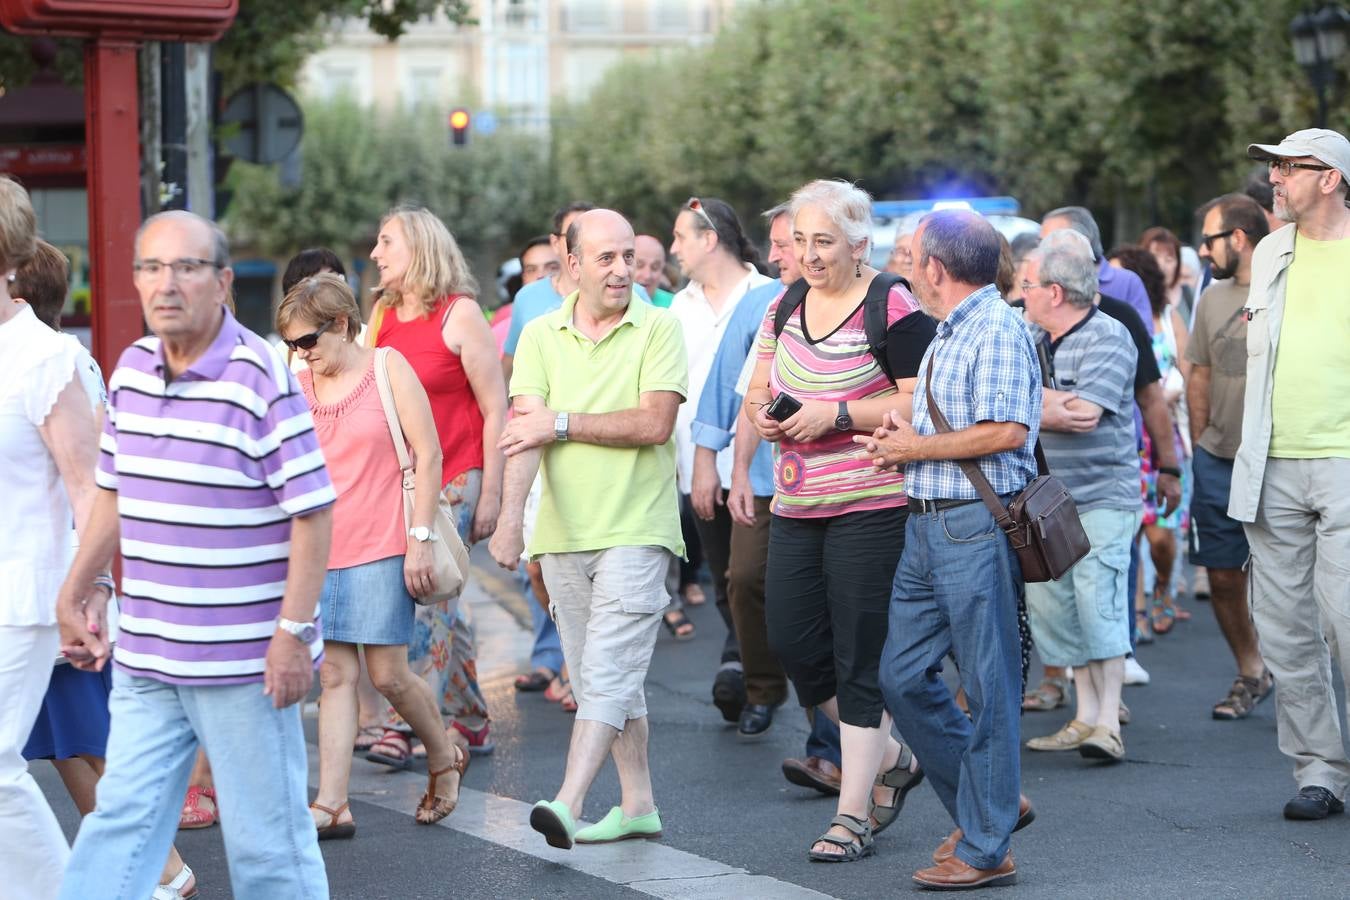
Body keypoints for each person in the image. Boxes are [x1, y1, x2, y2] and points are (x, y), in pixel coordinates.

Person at [56, 209, 335, 899]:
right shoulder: (130, 372)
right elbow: (115, 495)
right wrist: (78, 586)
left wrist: (293, 635)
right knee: (117, 830)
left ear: (222, 281)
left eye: (186, 267)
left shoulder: (259, 376)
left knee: (268, 850)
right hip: (150, 660)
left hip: (245, 663)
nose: (166, 284)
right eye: (151, 268)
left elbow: (314, 511)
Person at [744, 180, 932, 862]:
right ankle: (892, 757)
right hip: (796, 503)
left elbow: (919, 403)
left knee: (860, 659)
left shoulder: (893, 301)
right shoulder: (785, 302)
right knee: (793, 642)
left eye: (823, 242)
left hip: (871, 504)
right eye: (800, 241)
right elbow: (758, 389)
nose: (809, 254)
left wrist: (840, 414)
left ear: (860, 244)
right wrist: (763, 415)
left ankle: (850, 817)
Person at [488, 208, 688, 849]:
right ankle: (637, 804)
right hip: (563, 534)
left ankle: (568, 803)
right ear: (571, 266)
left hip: (638, 527)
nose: (623, 269)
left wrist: (563, 423)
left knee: (605, 671)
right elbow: (523, 435)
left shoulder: (659, 327)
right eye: (606, 258)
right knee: (608, 678)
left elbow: (654, 423)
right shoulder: (542, 334)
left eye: (629, 256)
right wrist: (513, 528)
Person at [11, 237, 199, 899]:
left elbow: (89, 486)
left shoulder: (64, 367)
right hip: (51, 585)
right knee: (69, 746)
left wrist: (90, 584)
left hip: (56, 585)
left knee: (90, 744)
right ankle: (148, 870)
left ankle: (161, 869)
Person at [864, 209, 1040, 890]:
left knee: (989, 687)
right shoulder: (957, 329)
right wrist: (898, 437)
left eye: (909, 254)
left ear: (934, 267)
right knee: (901, 677)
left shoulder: (992, 326)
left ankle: (987, 844)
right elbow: (959, 423)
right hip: (929, 521)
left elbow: (1006, 430)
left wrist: (915, 447)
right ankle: (989, 805)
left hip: (970, 524)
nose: (904, 264)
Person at [279, 274, 470, 837]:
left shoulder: (386, 368)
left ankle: (443, 756)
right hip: (323, 547)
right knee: (335, 674)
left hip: (385, 540)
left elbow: (428, 454)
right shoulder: (299, 382)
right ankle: (333, 803)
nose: (302, 353)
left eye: (309, 340)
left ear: (341, 323)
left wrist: (420, 539)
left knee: (387, 674)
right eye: (292, 343)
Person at [690, 201, 844, 780]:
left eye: (790, 244)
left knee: (828, 617)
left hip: (852, 491)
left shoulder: (874, 302)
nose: (777, 255)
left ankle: (834, 752)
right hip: (772, 484)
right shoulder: (766, 306)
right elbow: (742, 398)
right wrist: (724, 469)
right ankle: (764, 687)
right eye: (781, 243)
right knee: (755, 587)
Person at [1232, 128, 1350, 821]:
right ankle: (1320, 772)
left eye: (1287, 167)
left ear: (1329, 178)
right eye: (1272, 168)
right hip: (1271, 463)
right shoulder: (1272, 251)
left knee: (1345, 619)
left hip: (1344, 462)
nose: (1274, 178)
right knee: (1285, 629)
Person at [367, 205, 505, 761]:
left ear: (419, 249)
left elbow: (497, 408)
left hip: (458, 474)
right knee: (438, 598)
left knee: (428, 594)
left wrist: (492, 492)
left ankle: (405, 725)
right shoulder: (381, 314)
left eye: (386, 243)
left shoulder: (461, 313)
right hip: (404, 481)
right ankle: (469, 718)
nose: (375, 254)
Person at [0, 177, 91, 898]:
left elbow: (88, 489)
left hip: (22, 593)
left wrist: (89, 593)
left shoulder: (44, 358)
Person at [1020, 230, 1139, 763]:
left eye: (1027, 285)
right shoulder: (1034, 337)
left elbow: (1085, 415)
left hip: (1102, 497)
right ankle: (1086, 716)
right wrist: (1047, 405)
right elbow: (1062, 410)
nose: (1020, 293)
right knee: (1059, 610)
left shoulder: (1109, 336)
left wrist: (1017, 403)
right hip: (1049, 503)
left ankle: (1107, 722)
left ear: (1055, 292)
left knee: (1098, 604)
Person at [670, 196, 772, 724]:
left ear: (710, 239)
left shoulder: (769, 295)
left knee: (749, 576)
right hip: (696, 466)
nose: (673, 248)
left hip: (763, 468)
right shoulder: (675, 308)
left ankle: (753, 677)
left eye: (680, 237)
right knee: (725, 576)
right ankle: (742, 659)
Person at [1188, 193, 1271, 720]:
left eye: (1211, 238)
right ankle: (1251, 670)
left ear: (1238, 238)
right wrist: (1201, 443)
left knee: (1293, 578)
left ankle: (1302, 674)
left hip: (1281, 458)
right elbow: (1199, 373)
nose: (1202, 250)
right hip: (1218, 458)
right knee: (1222, 575)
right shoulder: (1211, 299)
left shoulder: (1289, 288)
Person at [1107, 245, 1191, 639]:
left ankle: (1162, 584)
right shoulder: (1103, 319)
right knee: (1133, 529)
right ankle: (1138, 612)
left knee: (1160, 535)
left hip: (1158, 434)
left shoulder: (1165, 320)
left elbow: (1187, 370)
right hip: (1127, 436)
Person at [501, 202, 597, 383]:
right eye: (573, 234)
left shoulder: (630, 293)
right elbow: (510, 366)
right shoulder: (527, 297)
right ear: (555, 243)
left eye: (593, 235)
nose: (583, 243)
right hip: (543, 409)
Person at [1042, 206, 1153, 333]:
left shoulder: (1127, 282)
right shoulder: (1039, 283)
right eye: (1041, 242)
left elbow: (1143, 337)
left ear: (1083, 241)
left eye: (1053, 240)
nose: (1043, 250)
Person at [635, 233, 676, 307]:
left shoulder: (676, 305)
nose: (647, 275)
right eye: (639, 265)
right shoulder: (610, 303)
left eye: (655, 267)